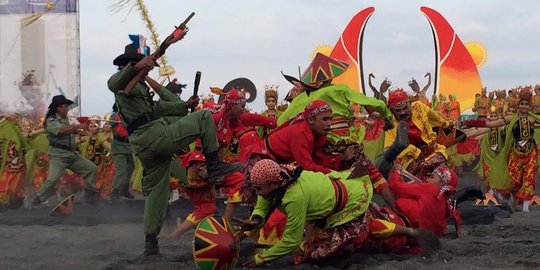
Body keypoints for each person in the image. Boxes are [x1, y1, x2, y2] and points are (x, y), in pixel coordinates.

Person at [108, 33, 242, 256]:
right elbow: (115, 82)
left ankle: (150, 243)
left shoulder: (138, 89)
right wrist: (139, 64)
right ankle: (214, 165)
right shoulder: (120, 84)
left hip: (145, 148)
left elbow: (157, 109)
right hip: (154, 137)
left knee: (157, 195)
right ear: (129, 66)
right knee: (204, 117)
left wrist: (184, 106)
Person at [236, 159, 439, 267]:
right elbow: (264, 196)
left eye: (258, 188)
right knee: (367, 224)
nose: (256, 193)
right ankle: (411, 233)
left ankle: (410, 234)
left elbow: (291, 240)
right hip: (336, 197)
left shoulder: (293, 196)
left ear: (273, 183)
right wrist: (257, 218)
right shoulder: (282, 174)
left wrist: (260, 259)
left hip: (346, 206)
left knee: (317, 252)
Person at [464, 88, 540, 212]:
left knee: (529, 177)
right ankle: (511, 198)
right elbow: (492, 125)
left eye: (526, 104)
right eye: (522, 104)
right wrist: (472, 122)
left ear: (530, 106)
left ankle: (526, 206)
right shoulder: (510, 119)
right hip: (515, 152)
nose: (524, 106)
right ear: (518, 105)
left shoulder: (533, 119)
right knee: (513, 179)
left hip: (530, 152)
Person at [32, 95, 100, 206]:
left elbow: (69, 132)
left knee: (91, 168)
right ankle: (38, 199)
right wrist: (77, 127)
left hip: (71, 154)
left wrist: (83, 130)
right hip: (58, 155)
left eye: (67, 106)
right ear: (58, 108)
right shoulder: (51, 120)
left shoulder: (65, 119)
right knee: (52, 179)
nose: (67, 109)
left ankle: (90, 195)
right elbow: (61, 132)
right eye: (65, 106)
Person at [383, 89, 452, 178]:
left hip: (433, 150)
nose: (403, 112)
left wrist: (446, 124)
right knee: (420, 177)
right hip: (411, 159)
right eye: (398, 110)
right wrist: (413, 151)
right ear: (392, 111)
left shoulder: (419, 107)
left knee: (442, 174)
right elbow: (388, 149)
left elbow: (435, 117)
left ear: (410, 103)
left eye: (405, 108)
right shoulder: (391, 124)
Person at [110, 104, 135, 200]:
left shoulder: (128, 115)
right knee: (121, 170)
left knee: (131, 167)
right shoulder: (115, 116)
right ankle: (114, 191)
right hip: (119, 146)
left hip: (128, 146)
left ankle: (124, 189)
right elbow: (113, 126)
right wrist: (121, 121)